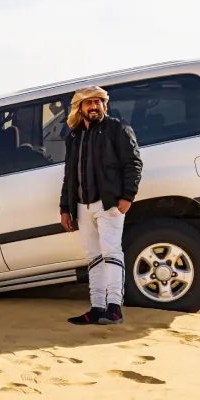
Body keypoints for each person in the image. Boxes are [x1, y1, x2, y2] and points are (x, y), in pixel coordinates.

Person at [59, 85, 143, 325]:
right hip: (83, 206)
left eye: (98, 102)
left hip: (109, 205)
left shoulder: (118, 129)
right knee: (93, 257)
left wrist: (127, 198)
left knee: (111, 253)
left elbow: (133, 164)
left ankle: (114, 308)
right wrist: (66, 208)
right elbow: (69, 176)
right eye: (89, 103)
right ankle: (97, 308)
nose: (94, 106)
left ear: (104, 105)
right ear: (80, 108)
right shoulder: (74, 136)